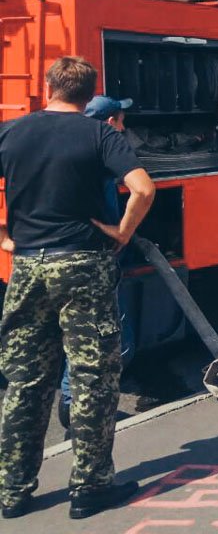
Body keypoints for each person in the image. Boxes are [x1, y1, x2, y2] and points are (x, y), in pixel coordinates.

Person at [0, 56, 155, 520]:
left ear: (48, 86)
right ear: (90, 95)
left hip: (27, 267)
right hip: (83, 266)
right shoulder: (100, 134)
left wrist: (4, 237)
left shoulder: (12, 131)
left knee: (25, 381)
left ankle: (13, 491)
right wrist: (123, 233)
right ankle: (89, 488)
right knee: (92, 378)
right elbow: (143, 189)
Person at [58, 96, 138, 437]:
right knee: (102, 339)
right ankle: (80, 412)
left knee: (66, 334)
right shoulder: (103, 153)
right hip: (93, 259)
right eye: (120, 120)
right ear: (108, 122)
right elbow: (143, 190)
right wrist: (121, 232)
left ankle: (69, 402)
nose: (123, 127)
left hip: (51, 256)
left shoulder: (66, 150)